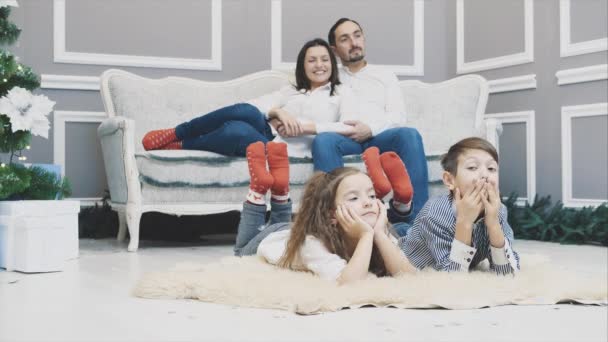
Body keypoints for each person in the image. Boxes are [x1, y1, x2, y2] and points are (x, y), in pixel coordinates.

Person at [233, 141, 416, 284]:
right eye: (354, 198)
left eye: (371, 195)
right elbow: (350, 285)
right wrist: (366, 236)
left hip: (291, 230)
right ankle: (258, 192)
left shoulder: (378, 230)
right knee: (241, 250)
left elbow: (409, 277)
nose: (368, 203)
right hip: (270, 238)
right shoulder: (312, 243)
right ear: (331, 215)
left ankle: (281, 192)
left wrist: (379, 235)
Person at [141, 38, 359, 158]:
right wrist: (277, 112)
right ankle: (177, 131)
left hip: (282, 149)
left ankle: (182, 145)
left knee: (234, 130)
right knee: (245, 112)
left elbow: (347, 128)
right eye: (312, 60)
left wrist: (305, 127)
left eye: (324, 60)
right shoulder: (291, 90)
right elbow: (254, 106)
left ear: (332, 64)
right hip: (269, 132)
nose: (319, 65)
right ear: (303, 65)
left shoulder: (342, 93)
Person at [311, 18, 430, 230]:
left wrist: (370, 129)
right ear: (335, 49)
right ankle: (334, 223)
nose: (354, 42)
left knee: (409, 134)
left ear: (363, 38)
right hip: (345, 139)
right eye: (345, 39)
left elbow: (398, 115)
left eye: (357, 35)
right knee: (323, 140)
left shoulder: (384, 75)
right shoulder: (329, 77)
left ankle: (416, 225)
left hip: (380, 137)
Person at [367, 137, 521, 275]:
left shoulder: (498, 210)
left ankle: (402, 205)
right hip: (401, 251)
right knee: (386, 235)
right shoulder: (435, 214)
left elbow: (507, 274)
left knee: (407, 226)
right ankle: (385, 197)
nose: (485, 175)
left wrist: (494, 224)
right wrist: (464, 223)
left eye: (491, 169)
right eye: (472, 167)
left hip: (417, 232)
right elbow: (452, 277)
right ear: (449, 180)